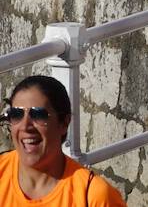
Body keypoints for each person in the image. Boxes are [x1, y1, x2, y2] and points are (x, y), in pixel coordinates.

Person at [0, 75, 126, 205]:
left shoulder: (92, 196)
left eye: (39, 115)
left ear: (64, 123)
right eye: (16, 115)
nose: (25, 126)